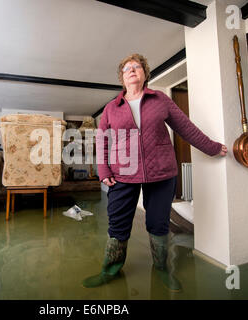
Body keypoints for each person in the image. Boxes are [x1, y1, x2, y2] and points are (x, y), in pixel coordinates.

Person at [82, 53, 228, 291]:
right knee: (117, 224)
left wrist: (212, 147)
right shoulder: (111, 108)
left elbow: (186, 128)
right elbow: (102, 142)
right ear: (122, 77)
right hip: (122, 173)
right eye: (127, 68)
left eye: (137, 66)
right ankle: (110, 270)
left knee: (158, 223)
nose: (132, 70)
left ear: (144, 73)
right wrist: (103, 169)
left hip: (161, 172)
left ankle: (161, 268)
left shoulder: (160, 99)